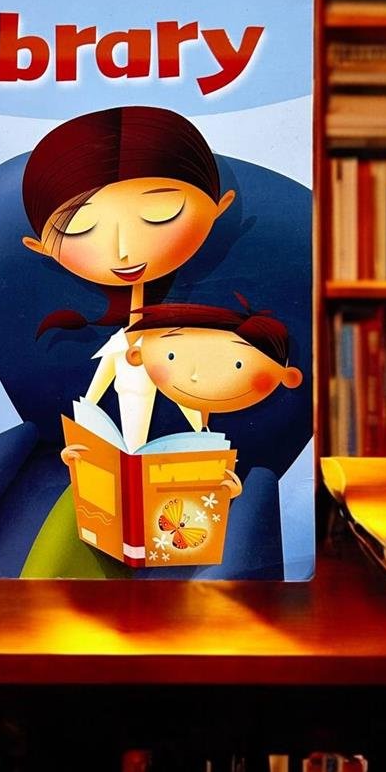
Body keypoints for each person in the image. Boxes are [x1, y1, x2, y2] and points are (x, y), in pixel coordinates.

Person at [18, 106, 236, 576]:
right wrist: (81, 441)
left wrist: (209, 453)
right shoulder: (118, 344)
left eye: (162, 213)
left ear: (219, 206)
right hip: (112, 460)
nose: (122, 250)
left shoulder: (193, 337)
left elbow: (190, 395)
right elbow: (96, 392)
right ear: (40, 246)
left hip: (176, 482)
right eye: (79, 228)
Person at [125, 300, 303, 434]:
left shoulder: (277, 426)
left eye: (238, 365)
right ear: (135, 355)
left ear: (289, 376)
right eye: (172, 356)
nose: (196, 376)